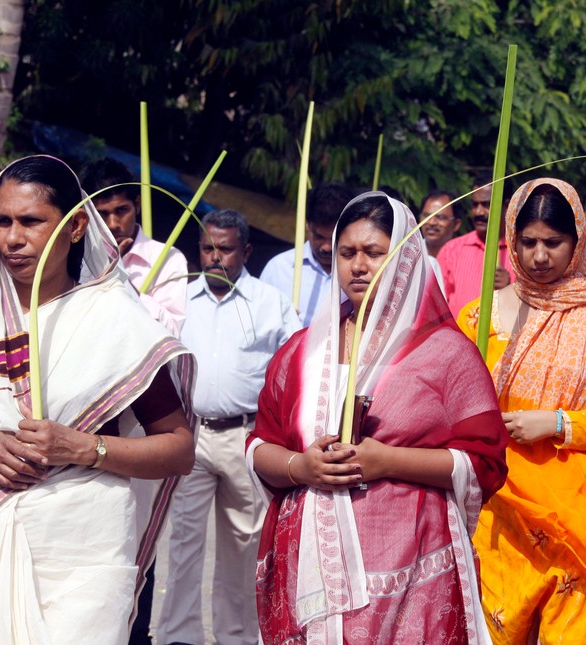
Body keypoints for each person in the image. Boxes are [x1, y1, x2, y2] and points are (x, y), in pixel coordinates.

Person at [0, 156, 195, 644]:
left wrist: (84, 448)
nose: (12, 239)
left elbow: (178, 448)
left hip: (82, 556)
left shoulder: (115, 322)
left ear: (75, 225)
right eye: (2, 221)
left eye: (31, 221)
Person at [247, 192, 508, 643]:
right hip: (310, 564)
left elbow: (486, 462)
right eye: (347, 253)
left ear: (405, 258)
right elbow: (259, 444)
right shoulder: (301, 352)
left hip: (411, 566)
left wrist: (388, 461)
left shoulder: (447, 354)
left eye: (374, 253)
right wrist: (300, 467)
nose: (358, 266)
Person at [458, 178, 586, 643]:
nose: (538, 255)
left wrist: (557, 424)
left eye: (553, 242)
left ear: (578, 241)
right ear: (509, 240)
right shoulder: (478, 319)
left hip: (583, 518)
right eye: (527, 242)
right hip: (499, 513)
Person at [157, 210, 300, 645]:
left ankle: (235, 637)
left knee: (243, 544)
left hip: (246, 437)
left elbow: (294, 364)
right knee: (182, 541)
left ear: (247, 251)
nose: (214, 257)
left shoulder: (270, 302)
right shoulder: (180, 300)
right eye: (207, 248)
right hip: (190, 437)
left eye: (225, 249)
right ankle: (179, 635)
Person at [80, 157, 188, 336]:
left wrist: (119, 275)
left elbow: (171, 331)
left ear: (137, 205)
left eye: (121, 210)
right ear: (88, 214)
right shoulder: (76, 256)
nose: (113, 224)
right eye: (102, 214)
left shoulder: (168, 258)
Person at [260, 182, 356, 326]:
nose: (326, 247)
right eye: (319, 237)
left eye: (335, 238)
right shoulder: (278, 269)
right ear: (308, 226)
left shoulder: (361, 271)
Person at [438, 173, 515, 317]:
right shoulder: (451, 251)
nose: (479, 212)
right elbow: (435, 307)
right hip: (457, 338)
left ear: (507, 206)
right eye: (475, 204)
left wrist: (510, 290)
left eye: (487, 205)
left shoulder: (522, 252)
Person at [419, 189, 461, 257]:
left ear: (456, 224)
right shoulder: (409, 255)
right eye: (427, 216)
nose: (432, 222)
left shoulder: (464, 257)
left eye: (440, 217)